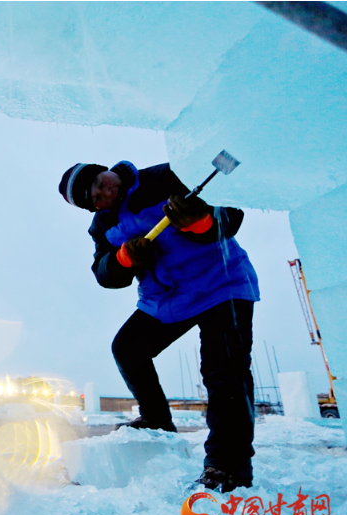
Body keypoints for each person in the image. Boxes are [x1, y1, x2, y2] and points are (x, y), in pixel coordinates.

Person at [59, 160, 260, 493]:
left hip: (221, 284)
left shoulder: (168, 175)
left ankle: (227, 467)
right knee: (128, 348)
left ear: (104, 169)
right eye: (96, 199)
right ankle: (157, 421)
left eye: (100, 183)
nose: (105, 194)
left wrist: (200, 222)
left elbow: (232, 215)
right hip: (167, 298)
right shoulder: (103, 227)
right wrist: (124, 259)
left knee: (224, 372)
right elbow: (104, 274)